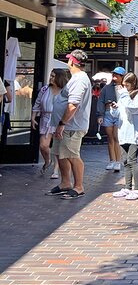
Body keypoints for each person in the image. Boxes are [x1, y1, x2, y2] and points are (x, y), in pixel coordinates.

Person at [46, 50, 92, 199]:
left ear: (72, 61)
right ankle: (65, 182)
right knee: (60, 154)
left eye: (68, 60)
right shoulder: (76, 78)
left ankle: (79, 186)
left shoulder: (79, 80)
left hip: (72, 126)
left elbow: (73, 104)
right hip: (66, 126)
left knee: (72, 155)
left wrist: (62, 123)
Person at [113, 73, 138, 200]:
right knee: (125, 161)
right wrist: (115, 108)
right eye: (123, 85)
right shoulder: (123, 96)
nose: (124, 88)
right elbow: (120, 113)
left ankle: (137, 188)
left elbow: (133, 108)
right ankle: (127, 187)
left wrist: (124, 95)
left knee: (132, 160)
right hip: (123, 132)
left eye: (127, 85)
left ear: (133, 84)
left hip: (134, 133)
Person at [32, 69, 68, 176]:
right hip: (46, 118)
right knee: (43, 145)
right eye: (50, 76)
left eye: (53, 76)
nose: (51, 78)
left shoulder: (65, 90)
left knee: (57, 146)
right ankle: (48, 161)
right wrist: (33, 117)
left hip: (59, 119)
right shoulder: (45, 89)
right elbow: (37, 103)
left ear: (59, 78)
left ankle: (56, 170)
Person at [97, 67, 125, 172]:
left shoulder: (124, 88)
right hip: (108, 113)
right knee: (110, 138)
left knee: (117, 137)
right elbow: (100, 101)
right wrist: (100, 115)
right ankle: (112, 160)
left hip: (120, 114)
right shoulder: (106, 88)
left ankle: (118, 161)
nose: (114, 76)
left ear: (122, 77)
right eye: (114, 74)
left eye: (117, 75)